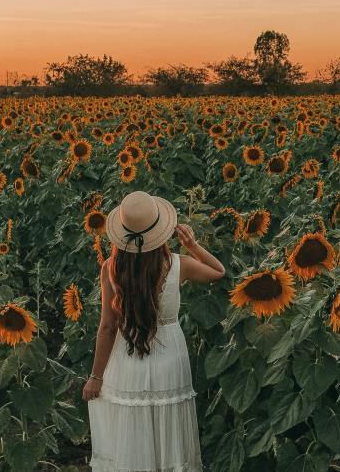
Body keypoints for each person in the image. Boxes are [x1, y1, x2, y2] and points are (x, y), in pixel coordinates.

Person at [83, 190, 226, 472]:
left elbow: (108, 326)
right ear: (161, 231)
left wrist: (96, 377)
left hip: (127, 354)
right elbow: (218, 271)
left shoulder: (111, 267)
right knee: (167, 427)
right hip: (170, 355)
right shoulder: (178, 265)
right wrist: (193, 244)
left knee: (132, 429)